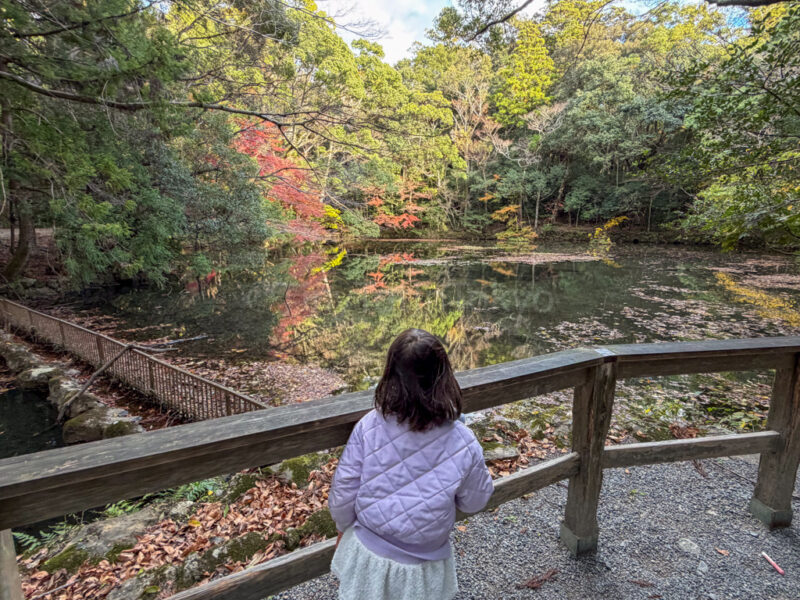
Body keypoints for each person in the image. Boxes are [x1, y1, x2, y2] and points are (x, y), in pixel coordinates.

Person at [328, 328, 494, 600]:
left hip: (370, 550)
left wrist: (341, 527)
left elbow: (344, 489)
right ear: (445, 377)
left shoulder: (369, 426)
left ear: (390, 375)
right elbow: (476, 501)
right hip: (424, 562)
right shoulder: (463, 441)